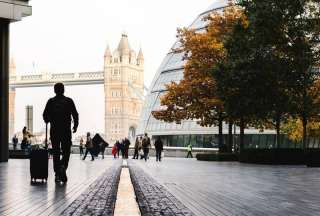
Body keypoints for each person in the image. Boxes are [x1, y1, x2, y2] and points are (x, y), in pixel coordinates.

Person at [43, 82, 79, 183]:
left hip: (54, 131)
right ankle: (63, 166)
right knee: (66, 151)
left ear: (55, 90)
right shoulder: (69, 101)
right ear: (63, 90)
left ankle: (57, 173)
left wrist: (48, 119)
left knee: (56, 152)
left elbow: (45, 115)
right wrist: (75, 126)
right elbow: (75, 114)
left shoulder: (50, 101)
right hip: (66, 131)